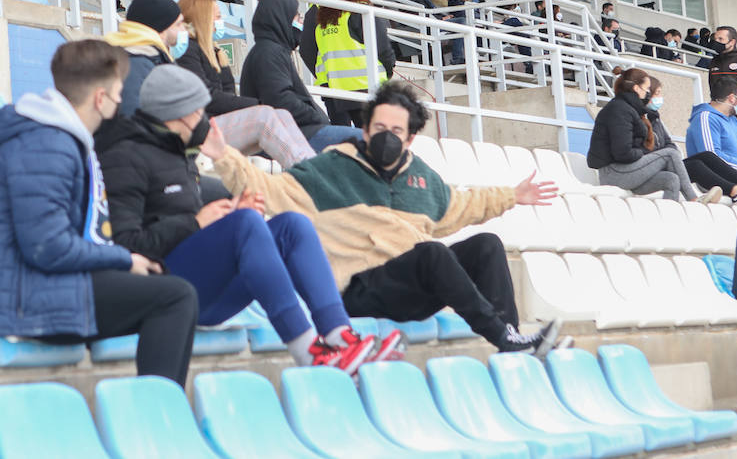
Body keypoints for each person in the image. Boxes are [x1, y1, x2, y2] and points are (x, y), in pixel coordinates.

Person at [204, 80, 566, 354]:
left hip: (409, 288)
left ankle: (511, 340)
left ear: (409, 139)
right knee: (432, 253)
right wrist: (224, 155)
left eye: (396, 132)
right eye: (379, 130)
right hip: (358, 289)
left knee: (486, 245)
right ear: (365, 130)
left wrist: (512, 196)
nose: (386, 137)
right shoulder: (330, 168)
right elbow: (268, 188)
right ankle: (504, 337)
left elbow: (462, 205)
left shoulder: (421, 178)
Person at [96, 65, 393, 372]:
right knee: (245, 225)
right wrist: (197, 223)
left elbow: (184, 223)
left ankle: (340, 336)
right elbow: (126, 244)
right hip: (165, 292)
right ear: (178, 112)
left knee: (293, 226)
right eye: (199, 110)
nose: (205, 118)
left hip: (201, 285)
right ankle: (308, 351)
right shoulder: (124, 156)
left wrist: (228, 212)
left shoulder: (178, 153)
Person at [0, 40, 199, 385]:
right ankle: (158, 411)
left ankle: (160, 404)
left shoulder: (60, 139)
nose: (120, 105)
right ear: (100, 98)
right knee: (175, 298)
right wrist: (124, 259)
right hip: (16, 301)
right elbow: (48, 247)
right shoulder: (48, 145)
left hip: (33, 287)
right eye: (118, 95)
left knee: (170, 290)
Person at [176, 0, 315, 167]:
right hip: (200, 129)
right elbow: (207, 97)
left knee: (282, 113)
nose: (221, 21)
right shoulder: (187, 51)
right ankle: (304, 168)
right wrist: (257, 104)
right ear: (202, 18)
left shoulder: (216, 53)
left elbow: (227, 93)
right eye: (217, 17)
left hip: (216, 124)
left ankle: (311, 163)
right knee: (265, 114)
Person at [240, 0, 363, 153]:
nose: (301, 23)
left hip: (298, 130)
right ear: (281, 19)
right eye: (297, 17)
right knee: (367, 141)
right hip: (293, 133)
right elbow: (280, 100)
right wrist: (317, 117)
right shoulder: (269, 53)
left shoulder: (274, 51)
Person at [588, 68, 710, 201]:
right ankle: (693, 199)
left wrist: (646, 153)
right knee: (670, 154)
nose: (647, 92)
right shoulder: (619, 110)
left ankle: (669, 213)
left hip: (625, 170)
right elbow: (622, 153)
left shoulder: (630, 109)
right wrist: (646, 152)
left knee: (671, 179)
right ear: (636, 88)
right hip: (614, 173)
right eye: (646, 88)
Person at [300, 0, 395, 127]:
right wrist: (388, 69)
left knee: (342, 137)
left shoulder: (315, 9)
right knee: (370, 137)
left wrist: (323, 75)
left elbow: (306, 50)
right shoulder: (361, 9)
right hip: (366, 86)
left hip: (331, 87)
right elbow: (382, 47)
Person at [102, 0, 183, 116]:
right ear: (162, 26)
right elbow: (130, 114)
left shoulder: (150, 56)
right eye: (178, 24)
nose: (184, 30)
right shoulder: (137, 62)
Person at [686, 76, 737, 199]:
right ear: (732, 98)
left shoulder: (733, 120)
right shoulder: (705, 118)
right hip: (724, 178)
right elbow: (711, 158)